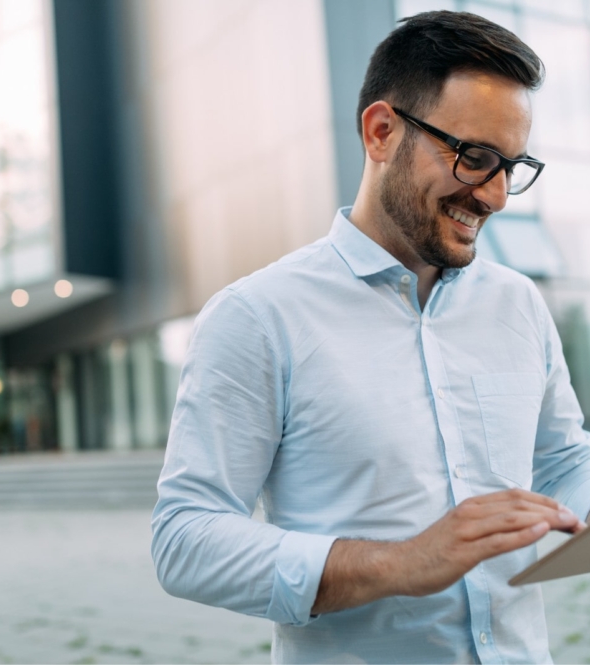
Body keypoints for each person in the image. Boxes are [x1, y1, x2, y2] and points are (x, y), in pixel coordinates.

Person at [151, 10, 590, 664]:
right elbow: (184, 540)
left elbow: (562, 460)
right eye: (473, 159)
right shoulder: (257, 316)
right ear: (381, 131)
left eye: (511, 165)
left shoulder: (517, 303)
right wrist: (402, 562)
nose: (495, 196)